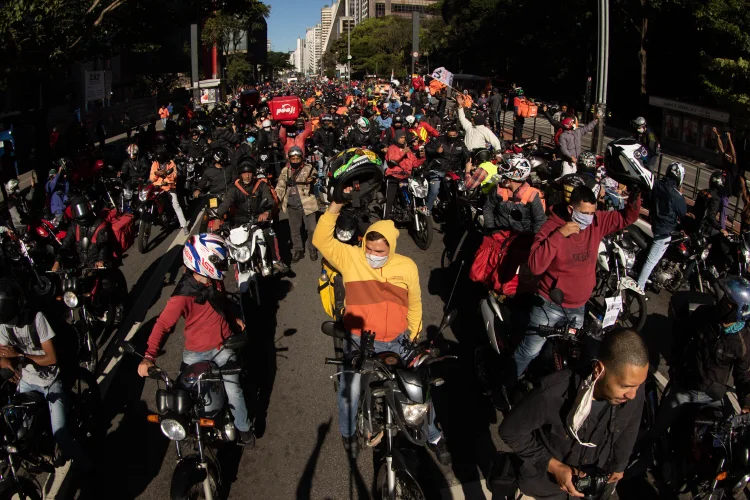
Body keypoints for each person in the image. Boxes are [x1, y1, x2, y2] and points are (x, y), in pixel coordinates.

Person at [312, 194, 451, 465]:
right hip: (360, 341)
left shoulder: (406, 266)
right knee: (349, 391)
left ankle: (433, 435)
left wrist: (413, 334)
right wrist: (336, 205)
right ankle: (348, 434)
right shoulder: (351, 258)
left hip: (399, 340)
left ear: (392, 248)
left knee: (418, 388)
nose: (373, 256)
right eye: (369, 249)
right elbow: (321, 239)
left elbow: (415, 302)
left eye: (380, 252)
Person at [500, 328, 648, 500]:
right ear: (599, 370)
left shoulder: (633, 386)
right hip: (549, 488)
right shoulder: (552, 393)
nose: (633, 395)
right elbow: (510, 431)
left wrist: (620, 464)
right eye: (625, 386)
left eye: (638, 385)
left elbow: (630, 426)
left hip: (596, 485)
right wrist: (554, 466)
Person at [512, 185, 642, 380]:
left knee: (572, 355)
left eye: (592, 212)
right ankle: (506, 382)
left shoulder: (596, 223)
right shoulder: (550, 228)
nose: (590, 218)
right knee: (530, 351)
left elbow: (625, 218)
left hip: (579, 306)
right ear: (571, 210)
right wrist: (558, 236)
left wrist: (635, 198)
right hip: (549, 305)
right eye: (585, 213)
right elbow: (535, 266)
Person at [137, 235, 255, 446]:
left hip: (222, 347)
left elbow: (222, 303)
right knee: (187, 398)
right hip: (196, 353)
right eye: (218, 261)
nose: (222, 266)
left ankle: (245, 429)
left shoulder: (213, 281)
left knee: (233, 390)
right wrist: (148, 356)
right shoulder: (182, 296)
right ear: (202, 261)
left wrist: (232, 319)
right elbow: (162, 325)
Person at [0, 278, 91, 469]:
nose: (13, 325)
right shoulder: (4, 325)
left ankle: (87, 467)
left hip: (50, 380)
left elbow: (51, 358)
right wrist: (7, 363)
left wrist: (21, 356)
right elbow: (2, 355)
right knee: (18, 430)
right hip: (27, 380)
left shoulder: (37, 319)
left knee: (61, 433)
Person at [648, 276, 750, 444]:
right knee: (657, 431)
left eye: (730, 302)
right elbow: (682, 336)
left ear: (741, 310)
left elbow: (743, 375)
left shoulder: (742, 342)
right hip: (685, 389)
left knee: (721, 441)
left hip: (713, 396)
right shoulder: (704, 314)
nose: (724, 302)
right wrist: (677, 364)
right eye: (725, 298)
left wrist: (746, 403)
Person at [216, 161, 287, 274]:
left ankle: (275, 260)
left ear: (253, 174)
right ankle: (238, 270)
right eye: (244, 173)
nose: (247, 176)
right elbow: (226, 203)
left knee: (269, 233)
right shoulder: (234, 188)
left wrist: (266, 212)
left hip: (258, 219)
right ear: (240, 174)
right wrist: (216, 216)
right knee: (233, 243)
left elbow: (270, 200)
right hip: (240, 221)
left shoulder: (261, 185)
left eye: (249, 173)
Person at [636, 162, 687, 291]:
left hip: (653, 224)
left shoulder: (657, 184)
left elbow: (647, 200)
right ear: (680, 178)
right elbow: (683, 212)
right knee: (651, 261)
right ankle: (639, 287)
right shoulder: (676, 195)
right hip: (665, 231)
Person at [275, 147, 318, 263]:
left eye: (297, 158)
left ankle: (312, 248)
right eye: (292, 159)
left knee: (312, 229)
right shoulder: (285, 171)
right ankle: (298, 249)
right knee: (295, 230)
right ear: (289, 159)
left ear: (301, 158)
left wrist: (312, 179)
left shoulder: (308, 168)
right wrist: (276, 199)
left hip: (308, 203)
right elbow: (280, 186)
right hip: (292, 204)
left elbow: (315, 176)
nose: (295, 161)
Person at [713, 128, 748, 229]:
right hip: (718, 191)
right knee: (714, 209)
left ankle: (722, 230)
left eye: (729, 156)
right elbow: (721, 148)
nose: (728, 157)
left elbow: (734, 155)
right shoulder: (726, 162)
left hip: (725, 194)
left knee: (722, 215)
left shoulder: (733, 168)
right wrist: (717, 134)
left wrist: (729, 139)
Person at [149, 148, 189, 235]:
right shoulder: (155, 163)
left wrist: (166, 176)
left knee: (176, 204)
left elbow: (173, 175)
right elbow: (151, 177)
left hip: (169, 186)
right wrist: (156, 174)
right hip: (158, 187)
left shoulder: (171, 163)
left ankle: (184, 225)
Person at [383, 130, 419, 219]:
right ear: (396, 138)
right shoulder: (392, 148)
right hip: (394, 176)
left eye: (404, 138)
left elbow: (415, 164)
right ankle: (386, 219)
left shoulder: (408, 150)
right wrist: (403, 152)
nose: (403, 140)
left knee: (410, 196)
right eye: (401, 138)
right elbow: (392, 160)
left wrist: (422, 157)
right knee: (389, 200)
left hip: (406, 177)